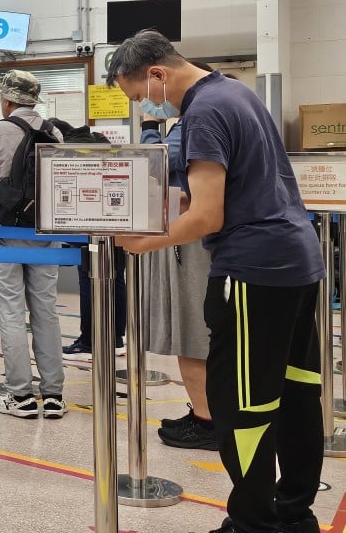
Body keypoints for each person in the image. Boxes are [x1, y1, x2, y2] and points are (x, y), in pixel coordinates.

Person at [108, 30, 323, 533]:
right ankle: (294, 513)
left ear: (158, 74)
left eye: (140, 96)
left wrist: (144, 241)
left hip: (253, 269)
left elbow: (208, 214)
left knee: (241, 402)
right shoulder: (237, 92)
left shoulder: (201, 112)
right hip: (296, 261)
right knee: (295, 393)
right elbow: (230, 186)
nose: (146, 106)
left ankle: (253, 523)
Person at [0, 70, 67, 420]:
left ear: (8, 100)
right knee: (46, 311)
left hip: (3, 233)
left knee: (11, 311)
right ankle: (54, 395)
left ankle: (21, 397)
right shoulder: (53, 130)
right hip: (46, 233)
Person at [140, 114, 216, 451]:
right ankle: (210, 413)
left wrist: (148, 129)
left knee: (192, 329)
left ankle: (207, 420)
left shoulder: (196, 122)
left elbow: (152, 164)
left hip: (192, 238)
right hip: (215, 240)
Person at [47, 118, 128, 363]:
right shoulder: (96, 140)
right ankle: (115, 340)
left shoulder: (68, 150)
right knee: (116, 280)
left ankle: (88, 342)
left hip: (87, 225)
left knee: (88, 281)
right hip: (116, 224)